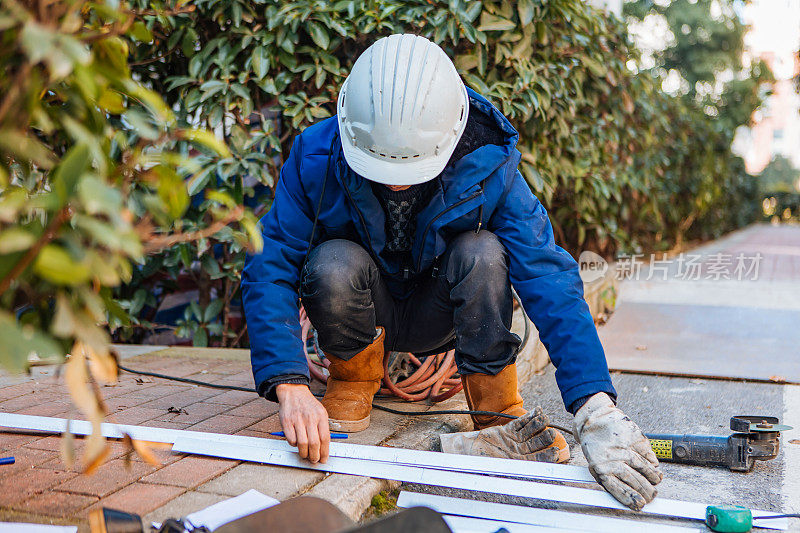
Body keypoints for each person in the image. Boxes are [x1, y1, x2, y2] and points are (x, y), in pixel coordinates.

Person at [242, 34, 662, 511]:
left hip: (441, 316)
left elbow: (547, 276)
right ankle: (353, 380)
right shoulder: (316, 156)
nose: (396, 181)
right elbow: (269, 261)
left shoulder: (487, 162)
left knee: (483, 252)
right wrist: (290, 385)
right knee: (332, 260)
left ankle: (494, 403)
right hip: (360, 309)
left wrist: (593, 405)